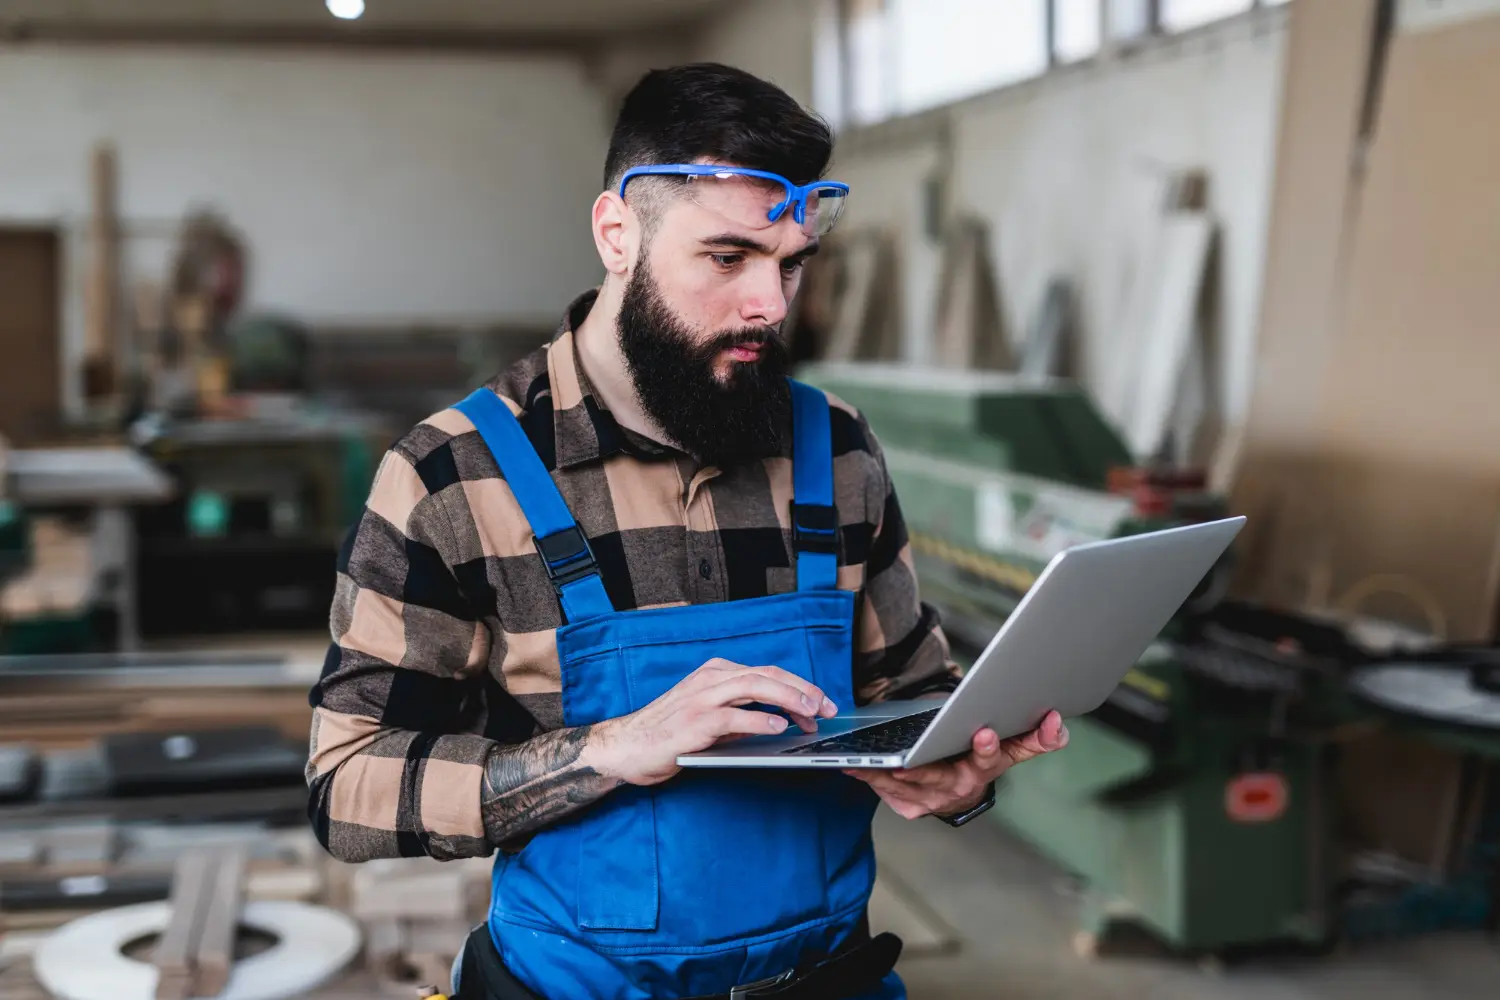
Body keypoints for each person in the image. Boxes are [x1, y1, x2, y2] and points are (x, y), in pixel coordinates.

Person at [307, 62, 1069, 1000]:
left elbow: (914, 692)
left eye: (791, 263)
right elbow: (348, 788)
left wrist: (957, 772)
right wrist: (607, 750)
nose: (772, 306)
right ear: (617, 232)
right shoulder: (453, 476)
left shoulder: (835, 447)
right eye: (727, 258)